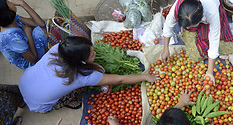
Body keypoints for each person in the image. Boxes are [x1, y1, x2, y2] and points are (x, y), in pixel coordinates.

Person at [19, 36, 158, 113]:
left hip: (25, 82)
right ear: (81, 62)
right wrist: (145, 76)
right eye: (92, 55)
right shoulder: (80, 77)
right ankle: (67, 101)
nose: (95, 54)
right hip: (40, 105)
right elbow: (120, 80)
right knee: (79, 89)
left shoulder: (60, 49)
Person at [161, 0, 233, 84]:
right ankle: (191, 36)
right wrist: (165, 48)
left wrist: (209, 72)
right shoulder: (178, 8)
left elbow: (214, 40)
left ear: (201, 19)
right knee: (195, 56)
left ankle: (201, 41)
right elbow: (168, 26)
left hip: (209, 15)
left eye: (192, 26)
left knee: (232, 47)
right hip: (194, 17)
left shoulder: (211, 11)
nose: (190, 28)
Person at [0, 0, 47, 70]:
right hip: (31, 64)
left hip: (25, 43)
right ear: (8, 12)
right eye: (7, 2)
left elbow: (41, 23)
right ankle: (45, 61)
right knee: (40, 33)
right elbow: (33, 59)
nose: (10, 0)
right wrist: (28, 35)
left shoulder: (10, 18)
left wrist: (23, 3)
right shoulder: (11, 38)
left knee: (43, 27)